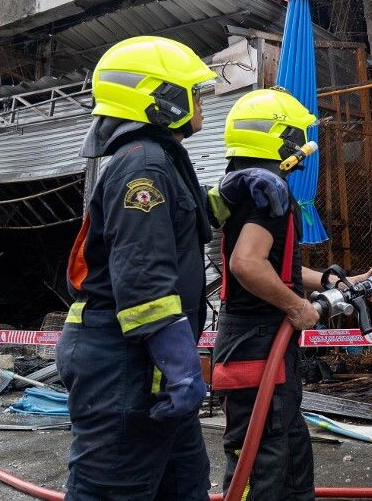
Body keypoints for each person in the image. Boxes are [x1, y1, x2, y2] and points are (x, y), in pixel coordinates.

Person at [57, 36, 217, 500]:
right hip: (124, 366)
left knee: (184, 487)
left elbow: (188, 217)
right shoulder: (142, 167)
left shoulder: (157, 160)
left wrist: (239, 189)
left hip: (149, 363)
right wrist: (181, 367)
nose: (201, 101)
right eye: (194, 92)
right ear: (163, 99)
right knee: (113, 489)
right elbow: (143, 278)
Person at [212, 87, 372, 500]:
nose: (305, 147)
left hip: (260, 341)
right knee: (262, 458)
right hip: (258, 343)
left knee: (289, 452)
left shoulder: (248, 186)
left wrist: (333, 282)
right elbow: (246, 264)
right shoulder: (268, 190)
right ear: (281, 139)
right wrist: (297, 307)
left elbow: (275, 268)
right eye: (298, 136)